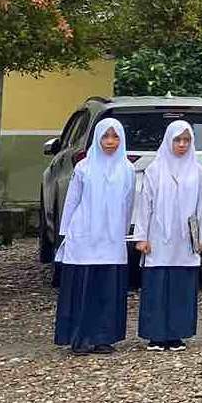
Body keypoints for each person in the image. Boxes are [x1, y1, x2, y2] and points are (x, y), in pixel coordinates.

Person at [54, 118, 133, 355]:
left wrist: (123, 232)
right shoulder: (84, 167)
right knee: (83, 288)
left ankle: (103, 337)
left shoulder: (127, 169)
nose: (110, 142)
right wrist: (64, 234)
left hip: (112, 239)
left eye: (115, 136)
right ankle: (79, 338)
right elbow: (72, 201)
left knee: (107, 289)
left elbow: (129, 204)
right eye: (105, 136)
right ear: (97, 138)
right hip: (84, 236)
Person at [134, 120, 202, 352]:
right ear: (169, 141)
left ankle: (177, 334)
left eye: (186, 140)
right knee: (157, 284)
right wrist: (141, 237)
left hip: (185, 238)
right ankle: (156, 335)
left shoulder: (197, 171)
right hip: (158, 237)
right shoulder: (155, 170)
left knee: (181, 285)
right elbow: (145, 206)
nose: (182, 144)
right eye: (177, 140)